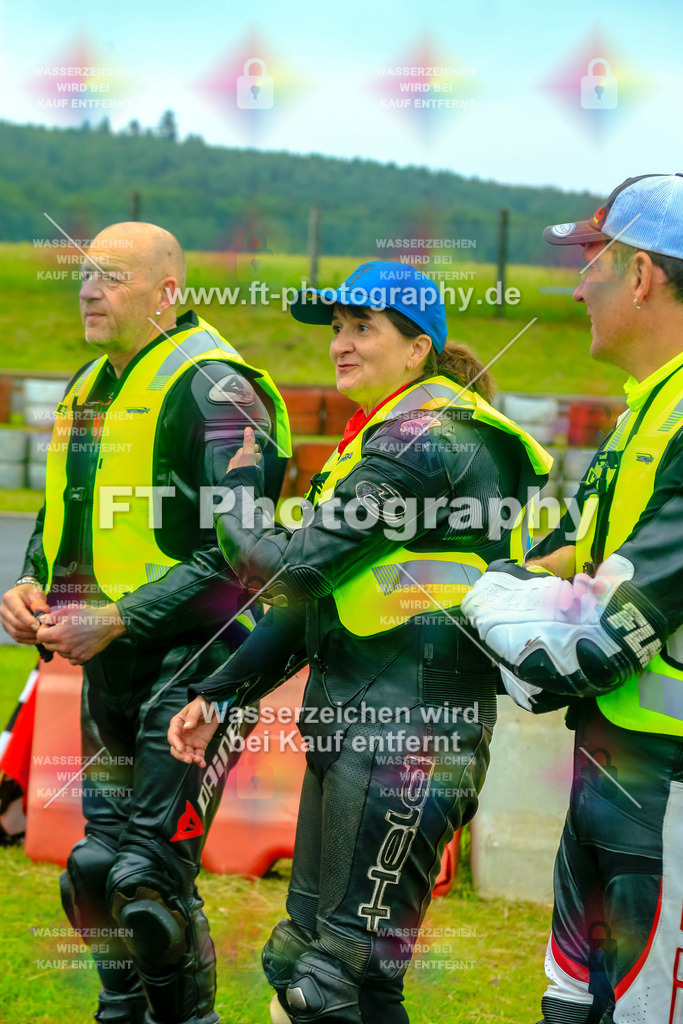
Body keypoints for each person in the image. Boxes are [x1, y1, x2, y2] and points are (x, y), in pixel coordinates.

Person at [168, 260, 553, 1024]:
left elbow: (290, 569)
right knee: (323, 970)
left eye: (361, 327)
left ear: (417, 348)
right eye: (337, 328)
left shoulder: (429, 441)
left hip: (411, 742)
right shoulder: (382, 438)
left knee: (325, 986)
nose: (339, 343)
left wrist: (234, 492)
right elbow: (318, 600)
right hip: (352, 727)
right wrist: (220, 691)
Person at [0, 221, 291, 1024]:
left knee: (146, 884)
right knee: (95, 872)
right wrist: (31, 581)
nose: (89, 290)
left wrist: (121, 617)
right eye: (84, 275)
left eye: (111, 276)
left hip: (198, 668)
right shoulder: (87, 386)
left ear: (167, 291)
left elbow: (240, 559)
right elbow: (61, 516)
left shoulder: (218, 390)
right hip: (113, 671)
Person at [462, 173, 683, 1024]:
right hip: (609, 769)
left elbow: (595, 639)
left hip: (666, 788)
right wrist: (504, 588)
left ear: (641, 277)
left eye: (592, 261)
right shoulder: (643, 414)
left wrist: (481, 599)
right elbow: (563, 560)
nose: (577, 285)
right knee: (568, 1004)